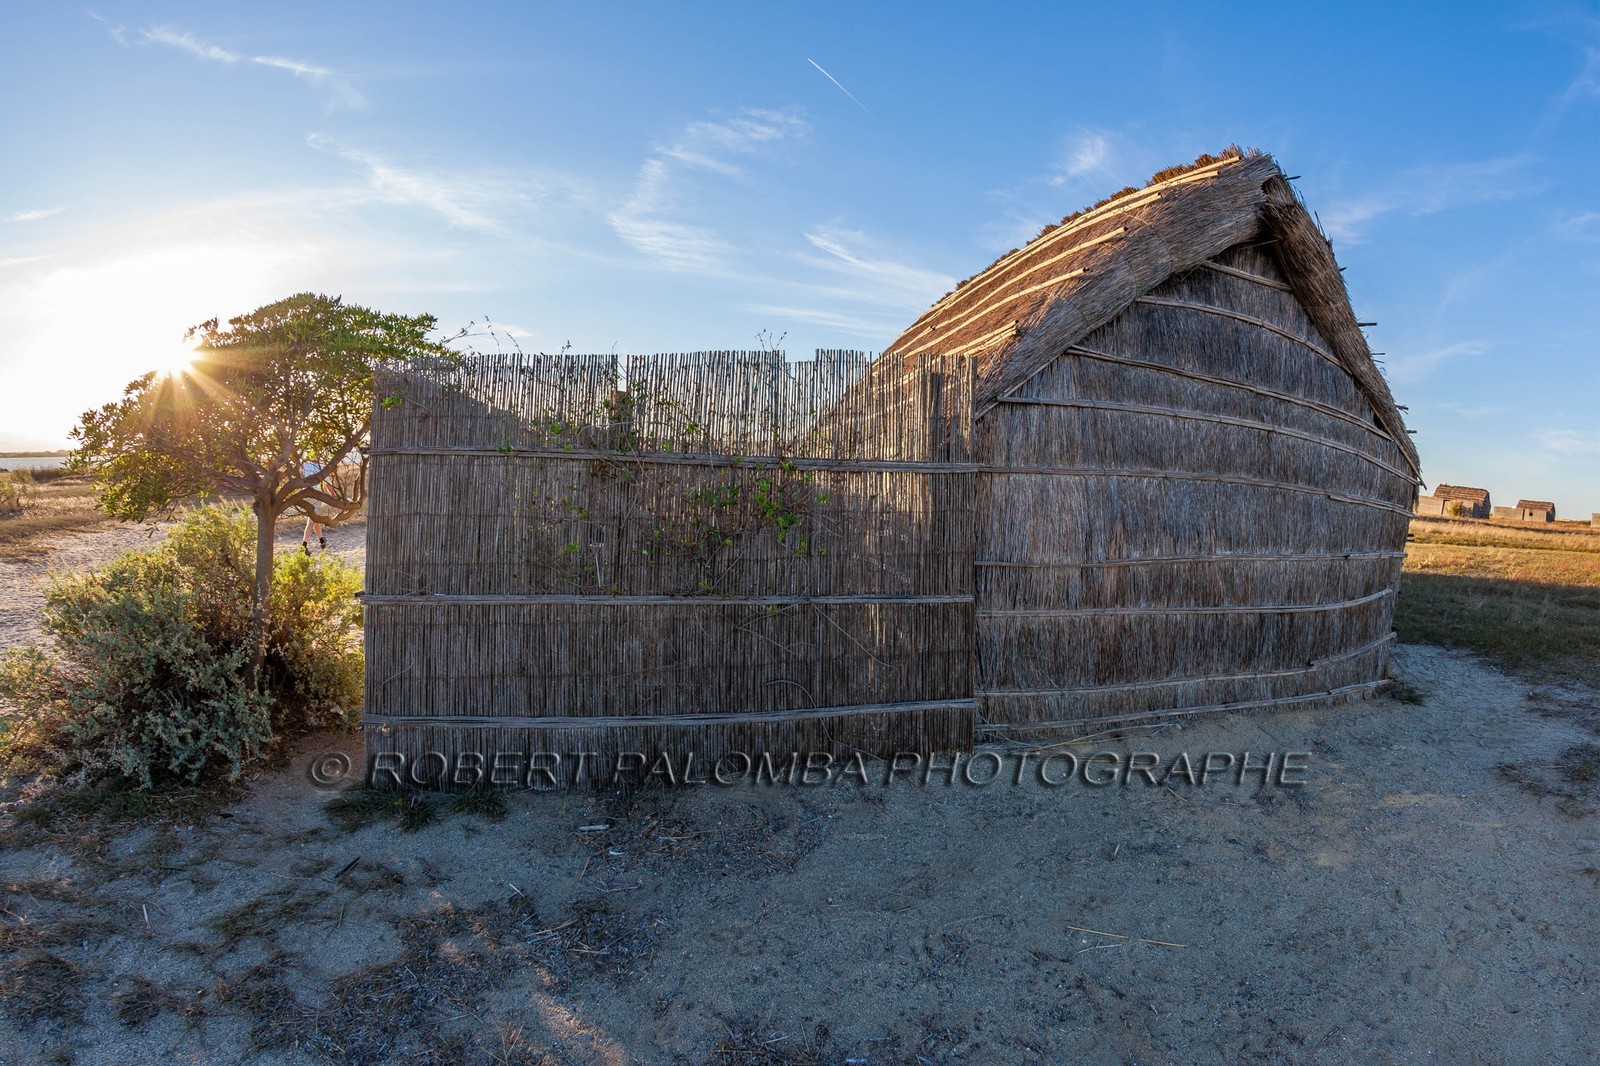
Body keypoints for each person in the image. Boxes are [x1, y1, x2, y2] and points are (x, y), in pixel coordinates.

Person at [301, 458, 326, 555]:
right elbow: (328, 485)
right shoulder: (320, 467)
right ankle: (304, 546)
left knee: (315, 519)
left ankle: (321, 540)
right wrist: (332, 495)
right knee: (311, 522)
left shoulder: (304, 465)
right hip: (315, 496)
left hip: (305, 495)